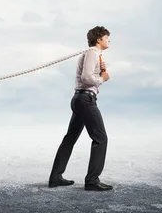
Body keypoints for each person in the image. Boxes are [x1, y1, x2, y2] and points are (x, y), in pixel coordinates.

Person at [48, 26, 113, 191]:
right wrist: (102, 79)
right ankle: (92, 181)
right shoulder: (92, 53)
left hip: (80, 99)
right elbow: (86, 77)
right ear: (99, 39)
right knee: (101, 138)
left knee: (70, 138)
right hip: (85, 99)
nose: (109, 40)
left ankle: (55, 177)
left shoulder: (91, 53)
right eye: (107, 38)